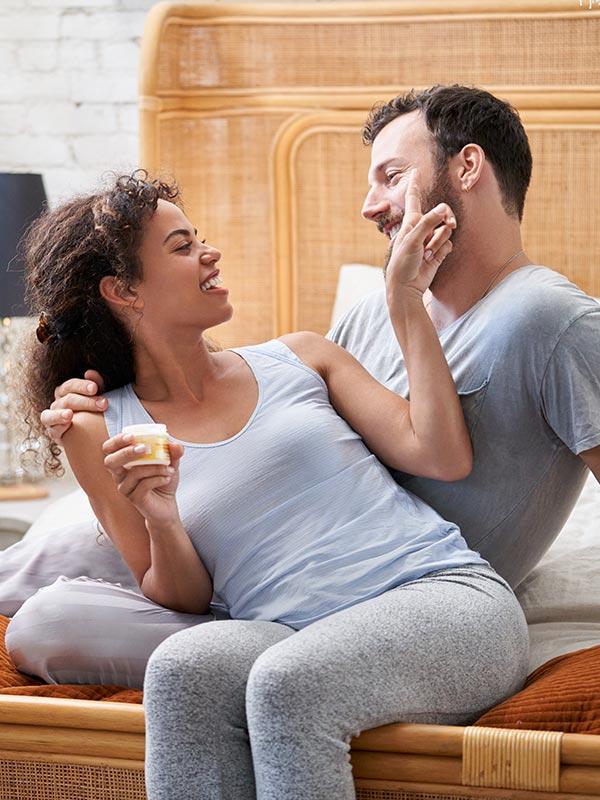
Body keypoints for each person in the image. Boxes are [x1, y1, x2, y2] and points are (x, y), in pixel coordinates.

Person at [6, 169, 527, 800]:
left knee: (288, 686)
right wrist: (163, 516)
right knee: (182, 669)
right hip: (286, 633)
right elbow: (182, 598)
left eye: (197, 237)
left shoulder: (300, 357)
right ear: (124, 292)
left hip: (440, 599)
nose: (210, 252)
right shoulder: (98, 428)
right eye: (180, 246)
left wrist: (406, 301)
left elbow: (441, 454)